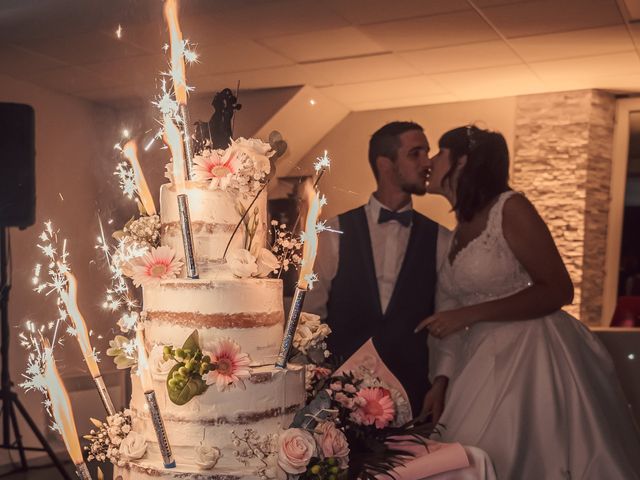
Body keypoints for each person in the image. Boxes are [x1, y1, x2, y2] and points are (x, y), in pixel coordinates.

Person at [416, 125, 640, 479]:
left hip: (529, 358)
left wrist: (471, 314)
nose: (429, 160)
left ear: (462, 160)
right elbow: (456, 308)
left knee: (507, 455)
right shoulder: (460, 228)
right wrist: (441, 381)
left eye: (438, 152)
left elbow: (558, 289)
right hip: (477, 363)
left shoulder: (511, 207)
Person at [305, 121, 452, 416]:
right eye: (416, 153)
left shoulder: (442, 240)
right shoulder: (333, 233)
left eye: (427, 153)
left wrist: (440, 382)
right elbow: (311, 316)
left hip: (413, 393)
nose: (427, 162)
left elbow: (446, 322)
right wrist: (317, 380)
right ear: (385, 164)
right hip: (341, 396)